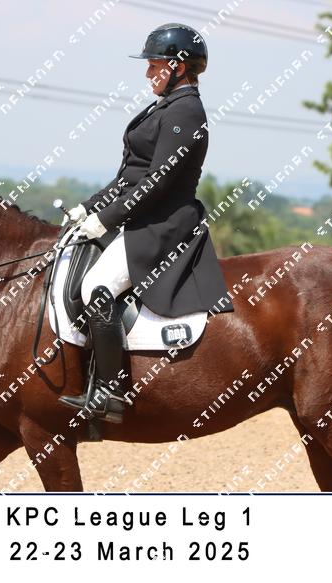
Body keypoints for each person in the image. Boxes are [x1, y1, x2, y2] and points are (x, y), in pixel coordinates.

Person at [58, 23, 234, 424]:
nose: (147, 72)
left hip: (164, 224)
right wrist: (88, 208)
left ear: (178, 66)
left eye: (154, 64)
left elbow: (158, 181)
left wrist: (107, 219)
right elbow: (129, 176)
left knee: (97, 286)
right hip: (143, 217)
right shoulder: (166, 106)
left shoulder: (186, 111)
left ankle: (110, 392)